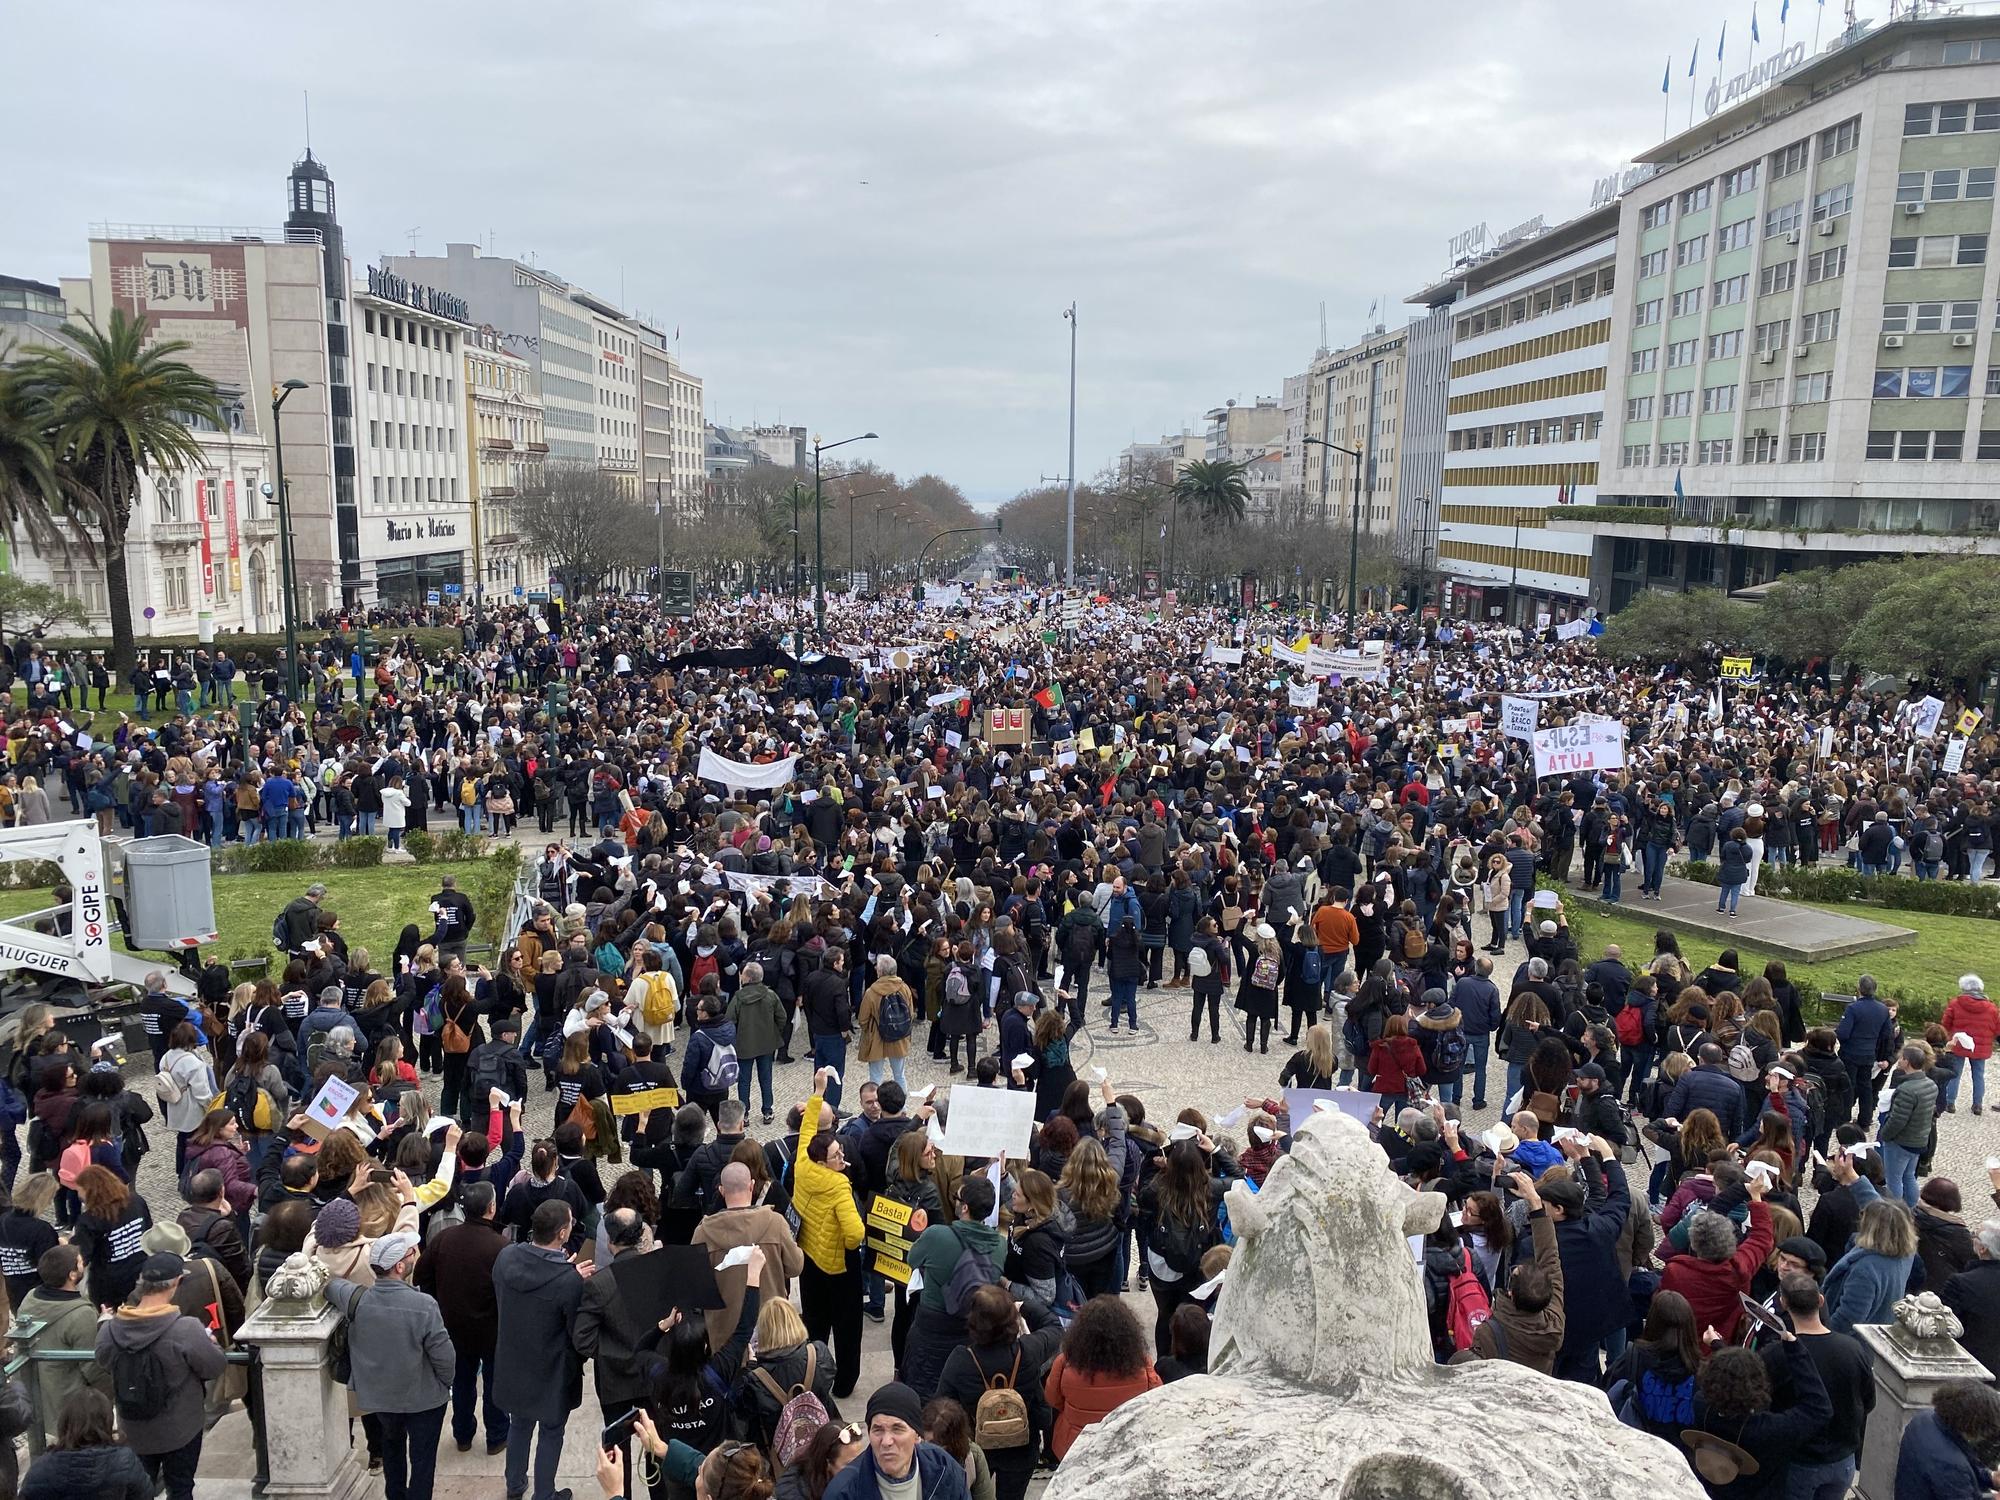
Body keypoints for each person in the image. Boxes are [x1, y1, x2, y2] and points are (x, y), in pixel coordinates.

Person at [325, 1230, 455, 1500]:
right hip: (424, 1400)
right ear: (399, 1266)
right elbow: (444, 1356)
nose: (415, 1255)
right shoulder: (424, 1305)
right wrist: (446, 1382)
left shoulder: (356, 1300)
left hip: (380, 1399)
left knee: (392, 1449)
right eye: (411, 1253)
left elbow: (330, 1284)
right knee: (423, 1461)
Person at [94, 1252, 227, 1500]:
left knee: (137, 1490)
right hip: (180, 1429)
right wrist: (213, 1345)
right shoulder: (186, 1329)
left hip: (133, 1428)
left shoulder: (110, 1330)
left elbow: (103, 1361)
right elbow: (215, 1366)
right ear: (176, 1283)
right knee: (180, 1488)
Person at [493, 1200, 588, 1500]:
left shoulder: (507, 1257)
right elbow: (576, 1332)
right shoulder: (568, 1281)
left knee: (519, 1425)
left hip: (514, 1359)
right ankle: (545, 1493)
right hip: (550, 1368)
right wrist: (572, 1275)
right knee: (551, 1431)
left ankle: (515, 1484)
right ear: (562, 1234)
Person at [935, 1283, 1063, 1500]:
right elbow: (1054, 1326)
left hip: (978, 1446)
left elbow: (941, 1404)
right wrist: (1024, 1305)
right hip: (1022, 1446)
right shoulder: (1028, 1351)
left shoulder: (961, 1360)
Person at [413, 1180, 508, 1457]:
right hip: (491, 1328)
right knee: (494, 1382)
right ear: (491, 1208)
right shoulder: (500, 1246)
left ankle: (463, 1434)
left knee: (462, 1382)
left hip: (453, 1326)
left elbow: (422, 1275)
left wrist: (441, 1302)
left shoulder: (445, 1238)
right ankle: (497, 1435)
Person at [1758, 1274, 1875, 1500]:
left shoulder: (1777, 1355)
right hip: (1843, 1461)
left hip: (1798, 1462)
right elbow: (1869, 1400)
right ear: (1821, 1301)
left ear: (1783, 1303)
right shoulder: (1853, 1348)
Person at [794, 1072, 867, 1398]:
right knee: (848, 1327)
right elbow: (854, 1233)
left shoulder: (803, 1164)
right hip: (839, 1263)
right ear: (824, 1160)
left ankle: (814, 1373)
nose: (843, 1158)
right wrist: (853, 1242)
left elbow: (808, 1126)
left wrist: (818, 1092)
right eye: (837, 1155)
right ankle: (845, 1381)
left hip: (809, 1254)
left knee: (814, 1320)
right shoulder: (838, 1185)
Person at [1658, 1168, 1776, 1347]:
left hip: (1683, 1343)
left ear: (1694, 1242)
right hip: (1722, 1340)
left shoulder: (1675, 1271)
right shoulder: (1739, 1269)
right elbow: (1762, 1238)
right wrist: (1755, 1198)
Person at [1042, 1295, 1162, 1461]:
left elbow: (1052, 1399)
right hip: (1123, 1444)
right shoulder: (1142, 1363)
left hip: (1074, 1445)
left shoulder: (1064, 1362)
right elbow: (1154, 1399)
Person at [18, 1244, 110, 1438]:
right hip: (72, 1404)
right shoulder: (81, 1314)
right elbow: (92, 1367)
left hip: (40, 1397)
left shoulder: (30, 1298)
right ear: (72, 1275)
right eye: (79, 1262)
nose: (83, 1262)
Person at [822, 1382, 973, 1500]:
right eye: (878, 1430)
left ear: (917, 1436)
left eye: (897, 1429)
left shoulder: (944, 1467)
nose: (886, 1441)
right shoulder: (843, 1492)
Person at [1822, 1160, 1920, 1335]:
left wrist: (1820, 1337)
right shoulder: (1906, 1252)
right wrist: (1852, 1176)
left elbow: (1847, 1318)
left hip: (1851, 1345)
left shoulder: (1866, 1270)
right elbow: (1879, 1207)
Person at [18, 1389, 152, 1500]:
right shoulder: (125, 1461)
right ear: (108, 1422)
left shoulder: (43, 1467)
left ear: (65, 1423)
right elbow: (145, 1495)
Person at [1879, 1042, 1941, 1207]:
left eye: (1902, 1058)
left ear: (1907, 1062)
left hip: (1901, 1141)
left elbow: (1897, 1120)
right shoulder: (1930, 1085)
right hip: (1918, 1140)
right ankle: (1911, 1209)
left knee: (1894, 1180)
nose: (1899, 1060)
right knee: (1909, 1176)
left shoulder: (1907, 1089)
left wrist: (1884, 1135)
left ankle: (1894, 1213)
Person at [725, 962, 784, 1123]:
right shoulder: (770, 995)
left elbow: (729, 1020)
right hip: (766, 1044)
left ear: (748, 978)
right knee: (766, 1078)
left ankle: (744, 1114)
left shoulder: (738, 997)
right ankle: (767, 1110)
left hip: (744, 1044)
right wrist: (773, 1032)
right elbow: (782, 1017)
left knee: (744, 1080)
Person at [857, 953, 916, 1094]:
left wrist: (869, 1030)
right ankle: (901, 1107)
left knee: (875, 1077)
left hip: (877, 1038)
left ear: (881, 971)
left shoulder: (871, 992)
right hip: (899, 1036)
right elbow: (910, 1012)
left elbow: (863, 1019)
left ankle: (875, 1107)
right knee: (900, 1076)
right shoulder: (904, 987)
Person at [1940, 975, 1995, 1116]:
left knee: (1955, 1074)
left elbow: (1945, 1023)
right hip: (1980, 1046)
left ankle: (1950, 1102)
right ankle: (1977, 1105)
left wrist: (1946, 1039)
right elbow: (1997, 1027)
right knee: (1978, 1075)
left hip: (1959, 1043)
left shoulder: (1955, 1003)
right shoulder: (1991, 1007)